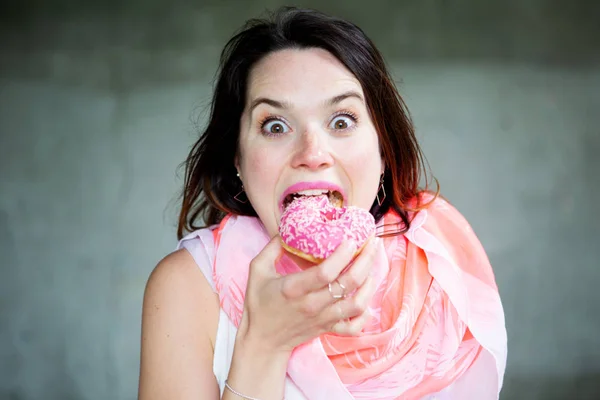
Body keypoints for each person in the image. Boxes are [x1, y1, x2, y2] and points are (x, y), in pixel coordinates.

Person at [138, 6, 507, 400]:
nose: (313, 153)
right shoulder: (189, 287)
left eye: (342, 121)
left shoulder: (443, 267)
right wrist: (265, 345)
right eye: (275, 125)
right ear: (237, 158)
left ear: (383, 150)